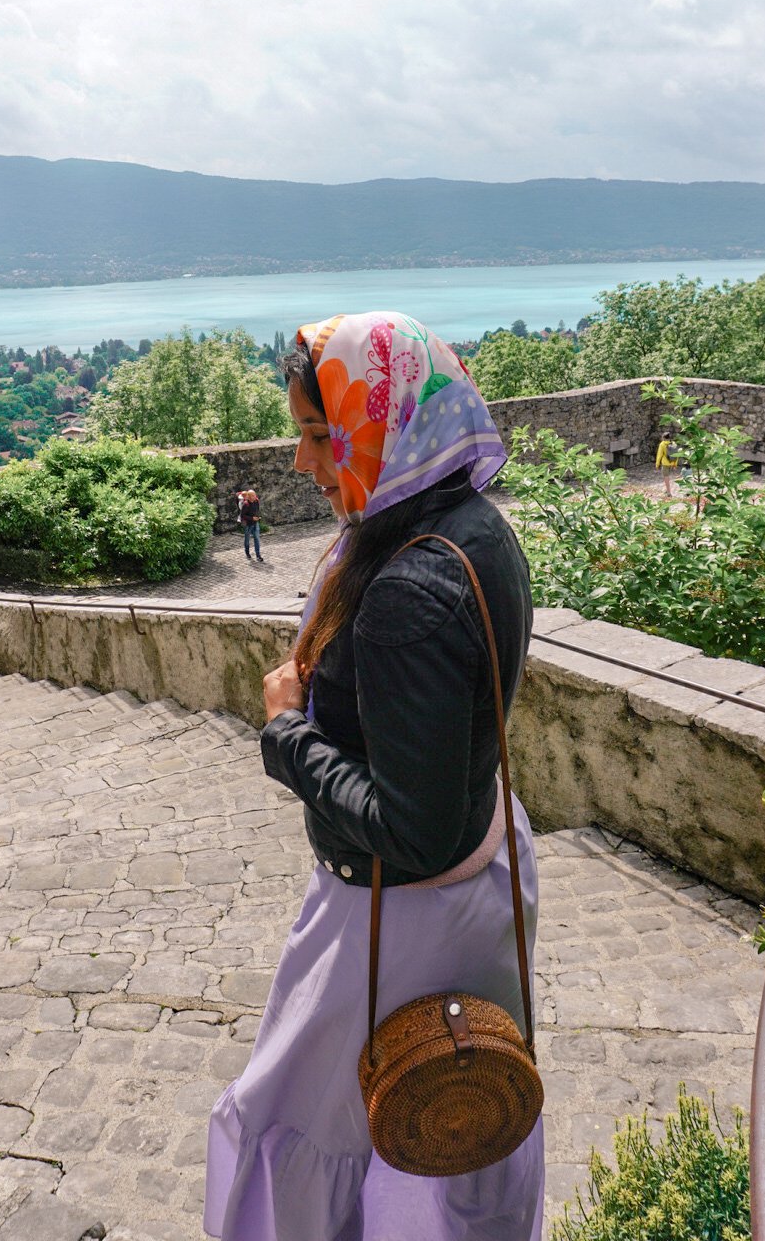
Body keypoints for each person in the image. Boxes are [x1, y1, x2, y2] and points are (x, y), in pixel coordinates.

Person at [205, 311, 544, 1241]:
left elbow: (415, 830)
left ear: (387, 419)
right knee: (450, 1116)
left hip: (403, 915)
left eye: (321, 434)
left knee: (309, 1116)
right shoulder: (473, 529)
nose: (307, 464)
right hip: (478, 879)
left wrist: (287, 735)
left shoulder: (406, 590)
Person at [238, 487, 263, 561]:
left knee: (257, 539)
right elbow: (242, 515)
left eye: (255, 495)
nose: (255, 496)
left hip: (255, 523)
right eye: (253, 495)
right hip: (248, 525)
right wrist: (252, 518)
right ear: (248, 497)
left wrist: (257, 517)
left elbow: (257, 510)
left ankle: (258, 555)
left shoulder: (256, 501)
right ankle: (247, 553)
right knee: (247, 539)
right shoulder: (246, 504)